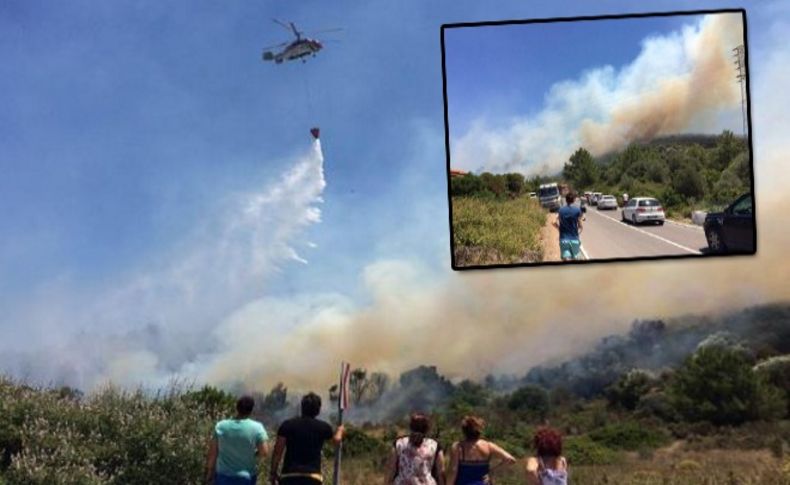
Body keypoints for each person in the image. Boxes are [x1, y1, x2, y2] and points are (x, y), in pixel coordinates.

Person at [269, 392, 344, 485]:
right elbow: (336, 440)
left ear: (302, 407)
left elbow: (277, 451)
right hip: (313, 477)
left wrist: (273, 473)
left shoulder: (287, 425)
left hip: (289, 476)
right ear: (318, 410)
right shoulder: (323, 427)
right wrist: (340, 430)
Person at [205, 395, 269, 485]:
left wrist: (209, 473)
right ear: (251, 410)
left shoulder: (221, 426)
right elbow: (264, 452)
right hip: (246, 477)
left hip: (223, 477)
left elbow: (213, 453)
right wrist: (253, 453)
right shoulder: (257, 427)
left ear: (237, 408)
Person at [446, 416, 516, 485]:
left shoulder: (458, 447)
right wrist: (492, 472)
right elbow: (510, 459)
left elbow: (453, 470)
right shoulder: (488, 446)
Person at [386, 412, 445, 485]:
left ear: (411, 426)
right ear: (427, 428)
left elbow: (391, 470)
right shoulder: (434, 445)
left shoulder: (399, 443)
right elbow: (441, 472)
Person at [552, 192, 584, 261]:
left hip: (564, 240)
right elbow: (581, 227)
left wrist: (559, 229)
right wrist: (578, 233)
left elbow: (553, 222)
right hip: (574, 239)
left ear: (566, 200)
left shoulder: (560, 210)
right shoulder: (577, 210)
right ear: (574, 200)